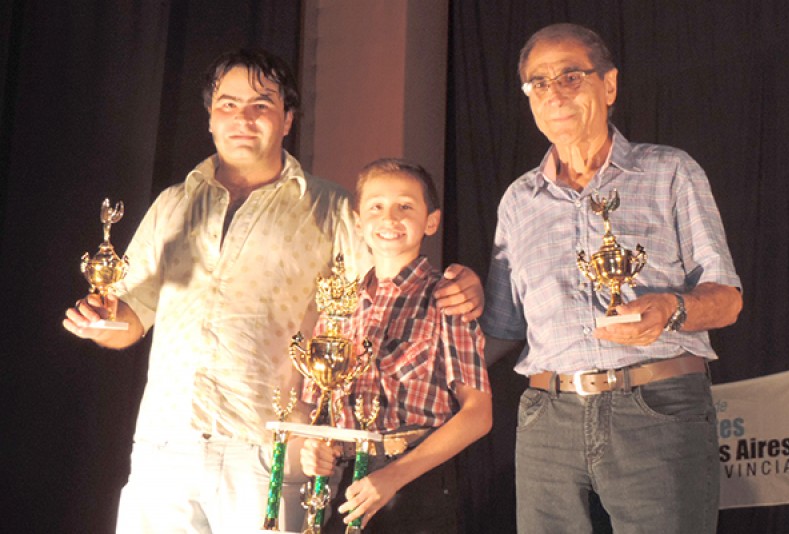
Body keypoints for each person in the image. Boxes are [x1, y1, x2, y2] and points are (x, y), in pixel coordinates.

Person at [62, 49, 484, 533]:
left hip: (270, 449)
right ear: (210, 118)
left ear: (287, 119)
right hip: (164, 444)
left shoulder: (329, 207)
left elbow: (394, 283)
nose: (243, 118)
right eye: (228, 104)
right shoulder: (172, 204)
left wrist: (463, 283)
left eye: (261, 105)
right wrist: (99, 320)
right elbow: (130, 321)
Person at [481, 23, 743, 534]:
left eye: (570, 76)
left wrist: (670, 310)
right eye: (538, 83)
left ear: (609, 85)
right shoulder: (518, 201)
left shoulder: (669, 171)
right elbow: (503, 329)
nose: (554, 93)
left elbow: (727, 299)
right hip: (548, 418)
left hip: (656, 408)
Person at [299, 158, 493, 533]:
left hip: (417, 485)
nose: (389, 218)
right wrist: (318, 450)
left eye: (405, 206)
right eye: (376, 207)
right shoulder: (338, 309)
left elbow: (478, 414)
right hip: (348, 487)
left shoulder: (447, 298)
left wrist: (393, 477)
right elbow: (321, 412)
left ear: (430, 221)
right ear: (358, 222)